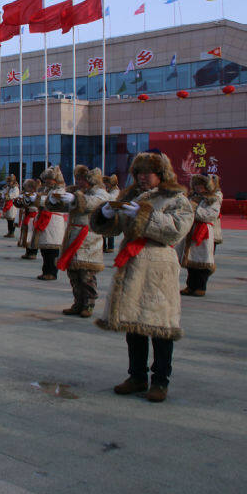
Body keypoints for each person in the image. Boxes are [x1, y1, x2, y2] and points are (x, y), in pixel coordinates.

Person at [90, 151, 193, 403]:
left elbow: (177, 229)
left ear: (161, 174)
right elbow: (115, 227)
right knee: (133, 323)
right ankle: (137, 376)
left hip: (158, 266)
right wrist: (104, 214)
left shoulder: (175, 198)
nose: (142, 177)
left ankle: (160, 381)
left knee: (160, 326)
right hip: (132, 264)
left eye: (148, 172)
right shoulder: (130, 196)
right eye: (138, 172)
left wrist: (146, 215)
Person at [47, 166, 109, 317]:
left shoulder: (99, 192)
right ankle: (78, 302)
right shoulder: (75, 191)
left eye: (82, 179)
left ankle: (89, 304)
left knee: (86, 274)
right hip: (73, 234)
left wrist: (76, 199)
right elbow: (65, 205)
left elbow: (96, 202)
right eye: (77, 179)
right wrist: (55, 199)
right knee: (73, 273)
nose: (79, 182)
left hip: (88, 236)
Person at [179, 174, 222, 297]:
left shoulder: (213, 198)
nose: (199, 188)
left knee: (203, 260)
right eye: (196, 185)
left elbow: (211, 214)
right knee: (191, 260)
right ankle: (190, 285)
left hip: (204, 231)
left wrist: (194, 209)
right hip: (191, 229)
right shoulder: (192, 196)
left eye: (201, 185)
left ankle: (201, 286)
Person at [32, 166, 67, 281]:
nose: (47, 181)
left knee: (52, 250)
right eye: (46, 178)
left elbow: (52, 201)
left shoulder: (60, 190)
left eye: (49, 179)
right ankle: (45, 271)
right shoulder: (47, 190)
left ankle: (52, 272)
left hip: (53, 221)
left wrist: (38, 199)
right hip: (45, 219)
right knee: (44, 249)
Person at [14, 179, 39, 260]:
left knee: (32, 235)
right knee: (26, 235)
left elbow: (35, 204)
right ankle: (28, 252)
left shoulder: (36, 195)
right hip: (27, 216)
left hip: (33, 217)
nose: (25, 189)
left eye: (27, 187)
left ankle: (33, 252)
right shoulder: (25, 194)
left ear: (32, 188)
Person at [102, 175, 120, 252]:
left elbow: (111, 199)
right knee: (104, 229)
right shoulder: (109, 190)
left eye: (107, 183)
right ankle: (104, 246)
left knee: (110, 230)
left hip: (112, 211)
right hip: (107, 210)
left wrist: (104, 193)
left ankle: (110, 246)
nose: (106, 184)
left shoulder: (116, 190)